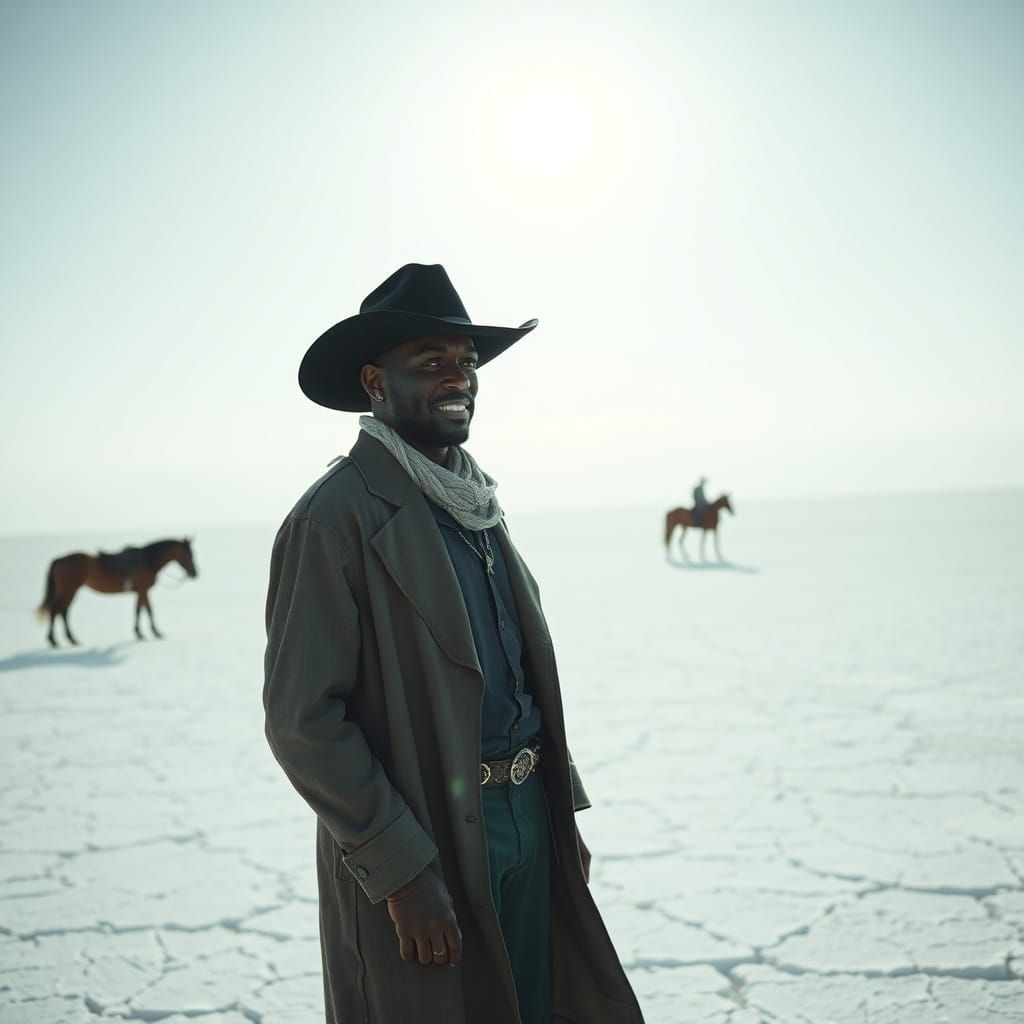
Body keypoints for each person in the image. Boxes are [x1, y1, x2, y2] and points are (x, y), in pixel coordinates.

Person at [263, 263, 644, 1024]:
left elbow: (518, 676)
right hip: (426, 833)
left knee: (538, 1006)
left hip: (526, 818)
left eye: (467, 362)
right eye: (432, 361)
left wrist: (557, 816)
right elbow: (304, 721)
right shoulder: (332, 519)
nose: (459, 377)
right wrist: (402, 872)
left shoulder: (477, 505)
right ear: (375, 381)